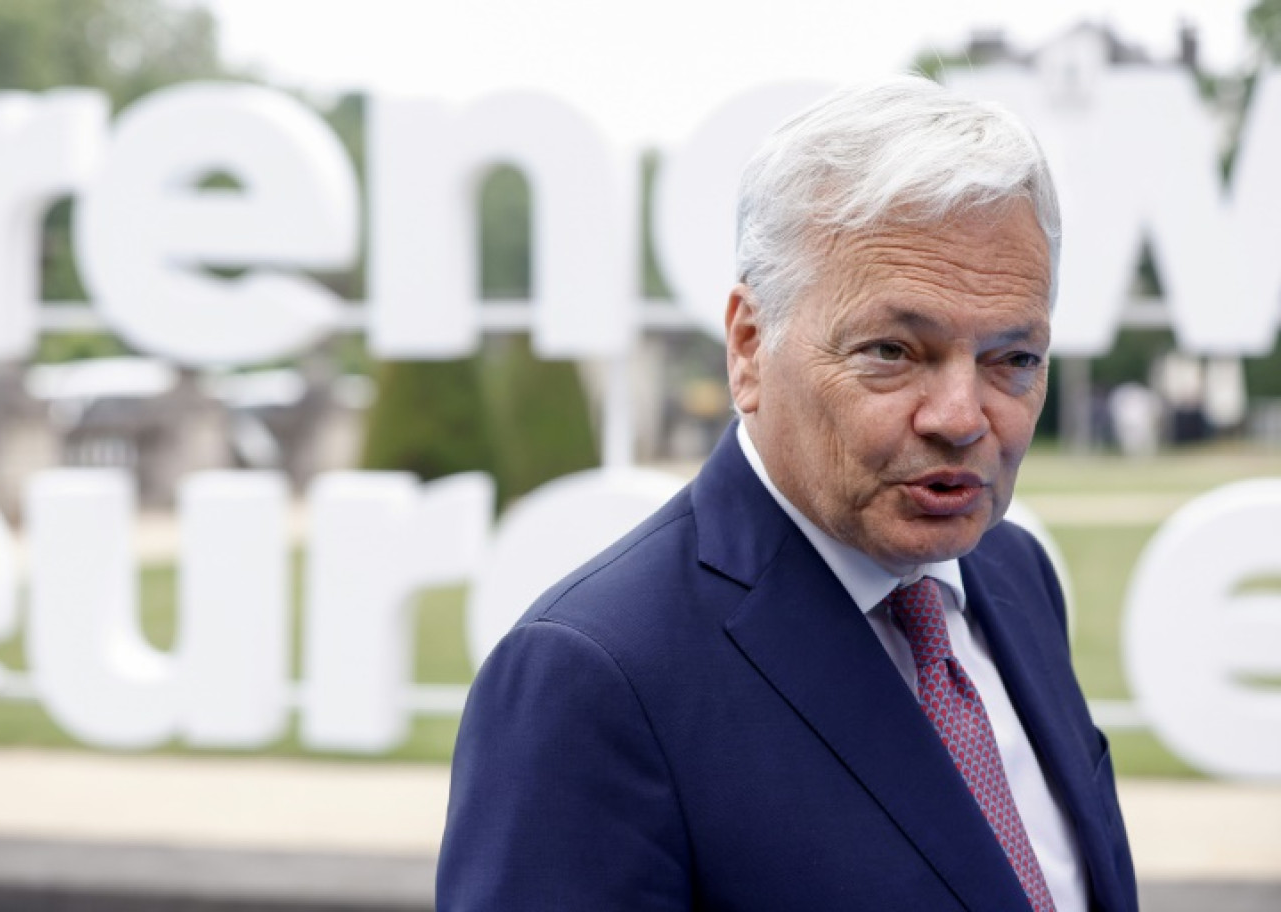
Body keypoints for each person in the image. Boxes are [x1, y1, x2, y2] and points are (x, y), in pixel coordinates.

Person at [437, 75, 1137, 912]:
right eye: (892, 350)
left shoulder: (1013, 573)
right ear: (747, 346)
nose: (961, 418)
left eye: (1013, 359)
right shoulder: (591, 680)